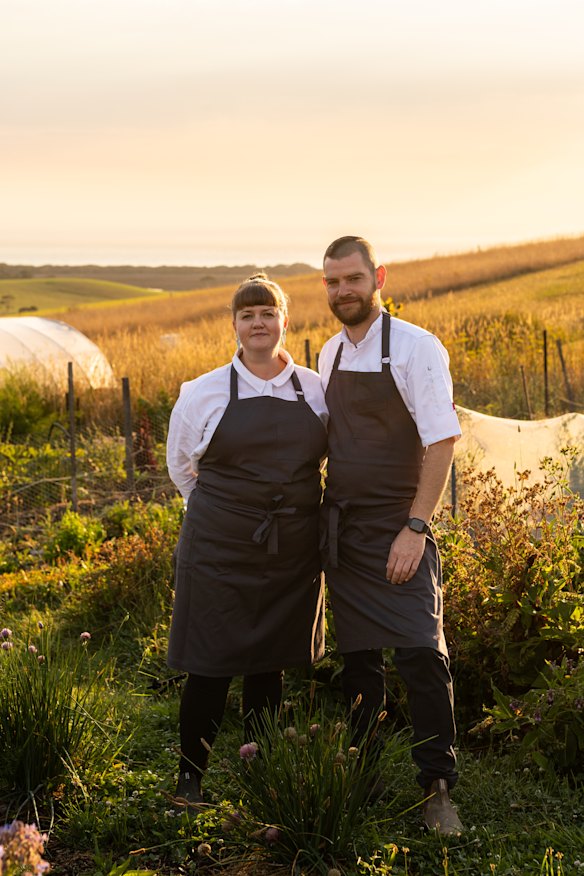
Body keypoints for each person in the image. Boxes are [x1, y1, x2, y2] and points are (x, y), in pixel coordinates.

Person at [318, 236, 464, 835]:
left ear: (378, 276)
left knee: (421, 654)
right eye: (332, 282)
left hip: (400, 524)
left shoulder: (414, 347)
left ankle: (437, 787)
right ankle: (362, 769)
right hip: (345, 528)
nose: (343, 291)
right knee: (357, 661)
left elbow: (442, 440)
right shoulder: (328, 352)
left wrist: (414, 527)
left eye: (352, 279)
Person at [166, 273, 328, 804]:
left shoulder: (316, 388)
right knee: (209, 663)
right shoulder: (203, 391)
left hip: (292, 550)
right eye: (247, 315)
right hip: (219, 548)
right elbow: (182, 470)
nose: (258, 323)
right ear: (234, 325)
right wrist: (231, 514)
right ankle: (192, 777)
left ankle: (257, 771)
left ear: (285, 319)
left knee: (269, 661)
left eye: (267, 313)